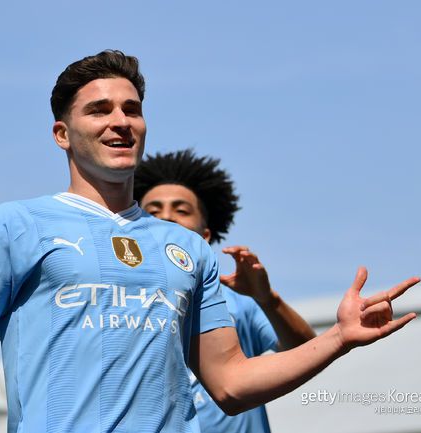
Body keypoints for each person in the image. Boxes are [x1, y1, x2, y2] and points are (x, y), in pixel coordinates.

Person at [0, 50, 420, 433]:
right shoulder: (17, 223)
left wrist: (339, 338)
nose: (121, 121)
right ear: (62, 134)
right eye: (99, 110)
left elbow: (231, 384)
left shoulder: (190, 250)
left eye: (131, 109)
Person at [134, 149, 316, 433]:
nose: (166, 217)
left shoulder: (237, 300)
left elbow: (306, 352)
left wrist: (266, 299)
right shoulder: (112, 300)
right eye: (153, 211)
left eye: (181, 210)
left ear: (205, 235)